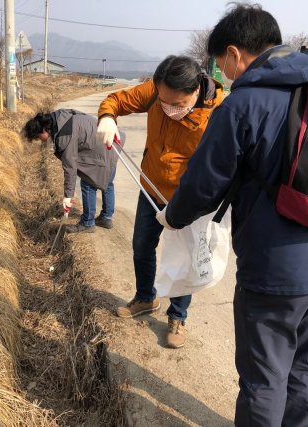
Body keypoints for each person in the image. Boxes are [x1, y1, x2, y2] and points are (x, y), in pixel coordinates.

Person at [157, 4, 308, 425]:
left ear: (233, 54)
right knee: (307, 364)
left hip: (278, 269)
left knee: (264, 376)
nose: (221, 72)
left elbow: (203, 185)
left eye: (220, 63)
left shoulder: (243, 104)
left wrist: (172, 217)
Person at [96, 56, 225, 348]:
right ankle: (145, 298)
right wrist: (107, 116)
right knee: (142, 246)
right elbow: (117, 100)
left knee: (183, 259)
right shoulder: (157, 90)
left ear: (195, 91)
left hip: (188, 199)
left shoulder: (219, 113)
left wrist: (199, 203)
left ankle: (178, 316)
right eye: (163, 102)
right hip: (150, 187)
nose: (169, 109)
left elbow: (221, 168)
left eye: (178, 105)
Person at [23, 109, 122, 233]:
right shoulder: (61, 116)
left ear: (43, 130)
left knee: (88, 182)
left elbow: (70, 168)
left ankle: (88, 223)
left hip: (101, 148)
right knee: (107, 181)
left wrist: (68, 196)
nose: (40, 140)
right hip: (110, 141)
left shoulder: (64, 135)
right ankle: (106, 217)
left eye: (38, 137)